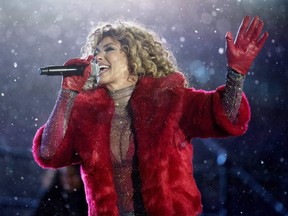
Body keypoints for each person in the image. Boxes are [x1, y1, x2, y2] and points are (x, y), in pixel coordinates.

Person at [32, 16, 268, 216]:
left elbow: (225, 115)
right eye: (95, 52)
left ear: (133, 56)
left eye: (108, 49)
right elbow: (49, 152)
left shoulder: (170, 100)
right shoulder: (87, 114)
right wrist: (67, 93)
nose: (97, 57)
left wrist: (236, 74)